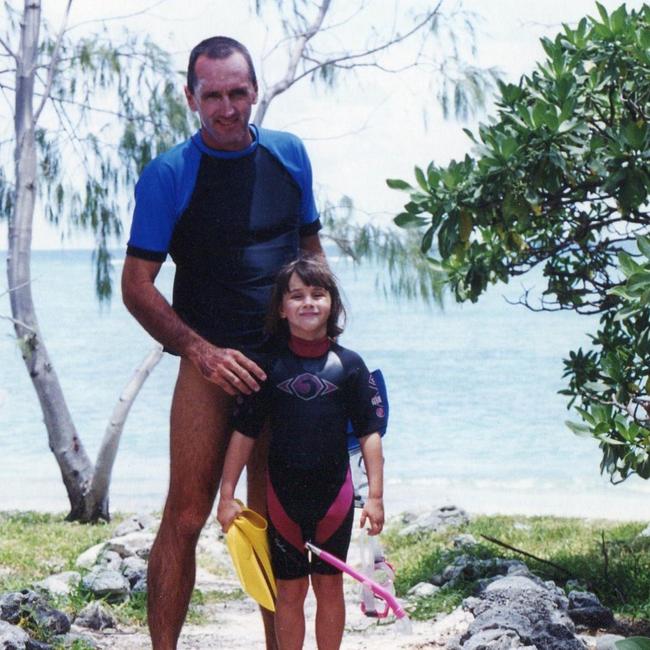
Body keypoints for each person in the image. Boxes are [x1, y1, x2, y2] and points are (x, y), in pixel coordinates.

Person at [121, 36, 324, 650]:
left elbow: (310, 252)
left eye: (239, 93)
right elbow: (136, 286)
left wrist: (324, 348)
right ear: (191, 97)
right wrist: (199, 351)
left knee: (275, 524)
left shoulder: (290, 156)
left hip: (284, 368)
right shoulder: (169, 174)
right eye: (213, 95)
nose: (228, 107)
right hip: (209, 369)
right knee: (184, 519)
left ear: (255, 91)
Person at [217, 255, 385, 650]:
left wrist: (375, 497)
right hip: (283, 499)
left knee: (329, 588)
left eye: (317, 294)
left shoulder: (350, 366)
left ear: (333, 304)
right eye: (296, 296)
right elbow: (244, 434)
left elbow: (370, 435)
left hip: (335, 499)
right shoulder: (269, 366)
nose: (308, 302)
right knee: (289, 593)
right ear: (281, 308)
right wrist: (226, 496)